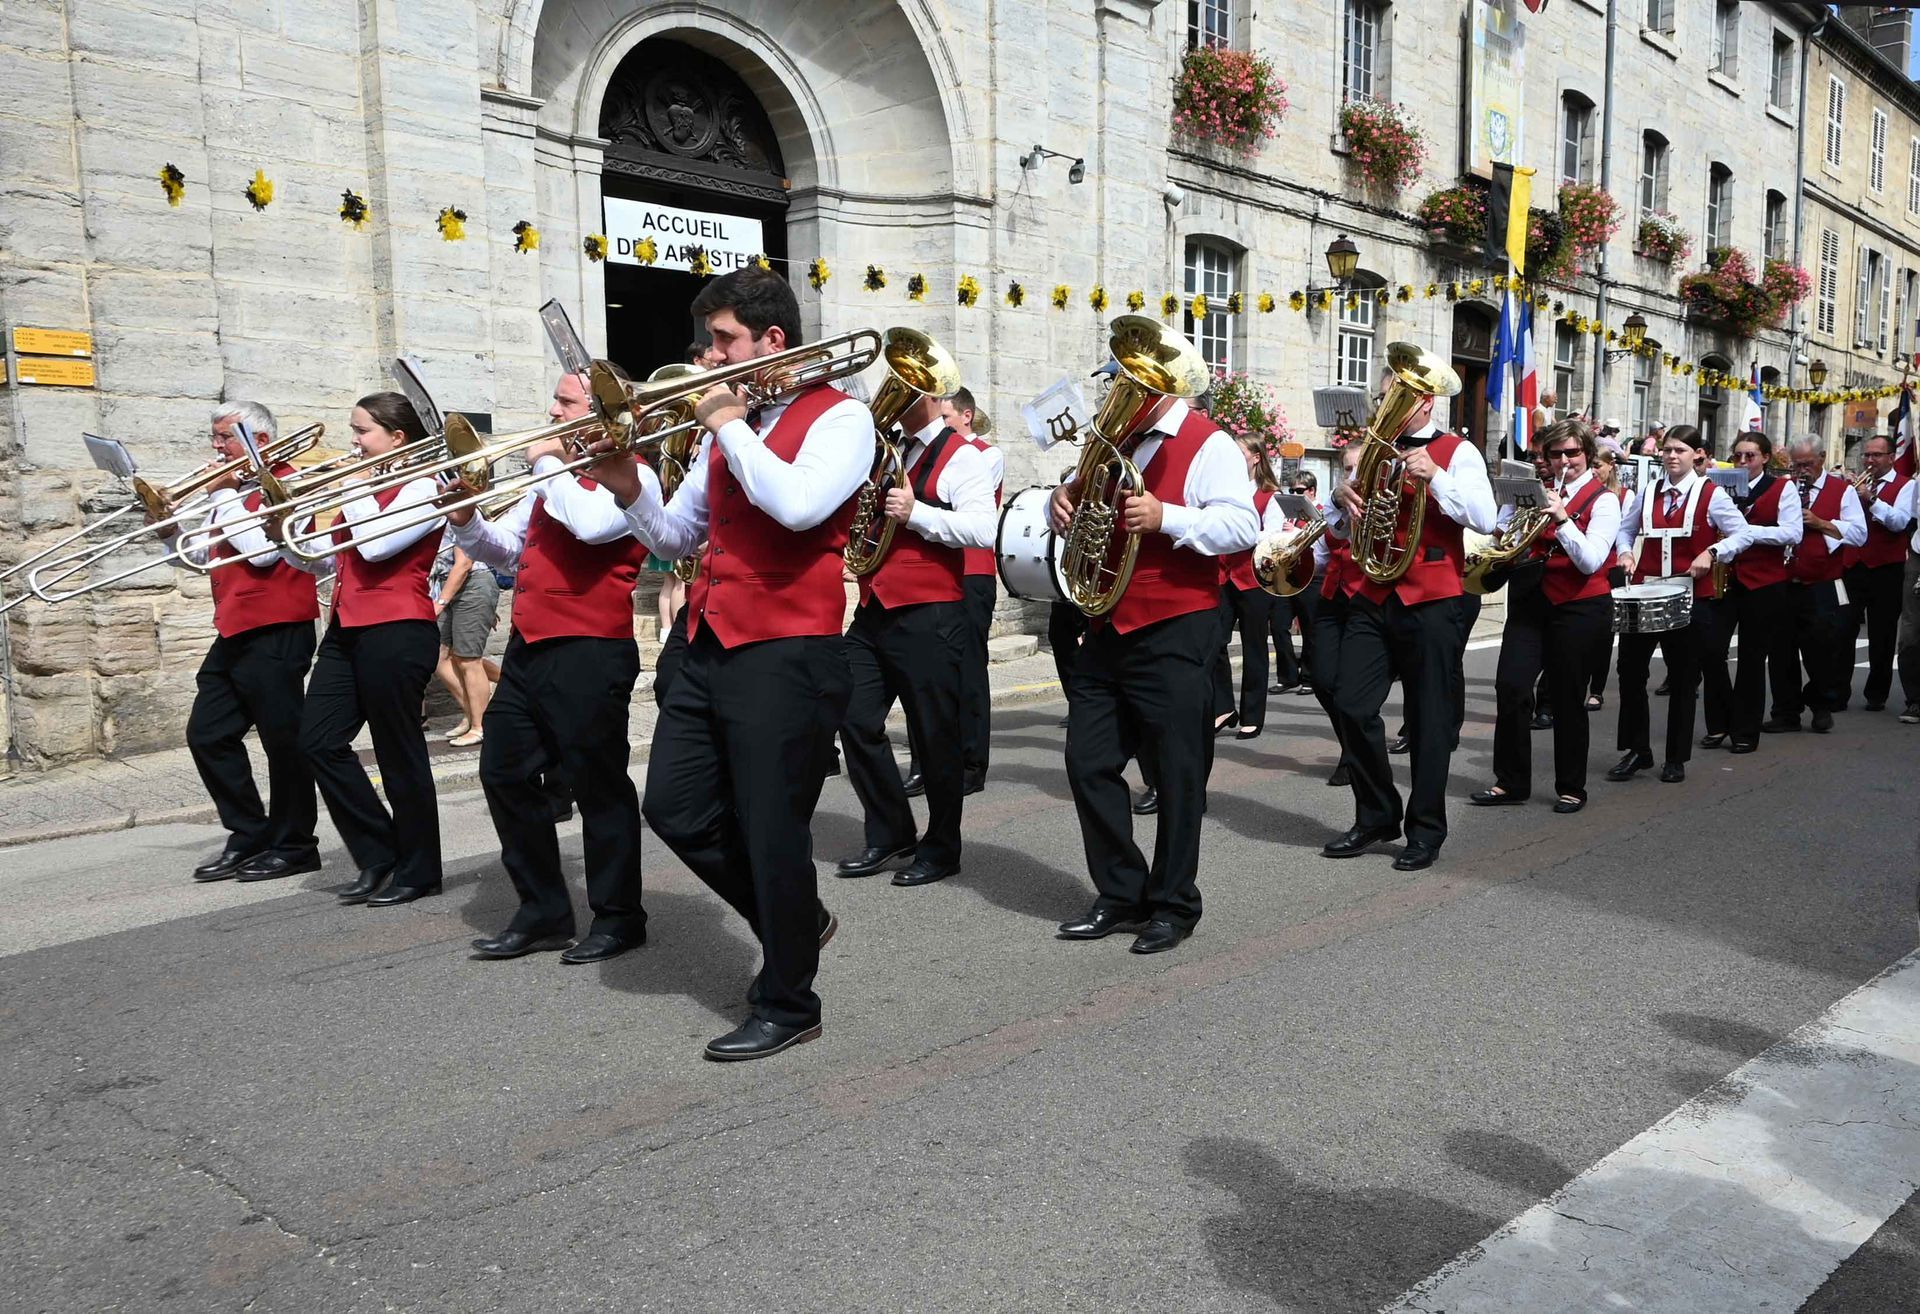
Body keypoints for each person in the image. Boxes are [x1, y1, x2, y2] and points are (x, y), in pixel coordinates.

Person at [594, 265, 864, 1061]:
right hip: (710, 640)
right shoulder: (726, 434)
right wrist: (625, 489)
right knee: (673, 807)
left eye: (723, 343)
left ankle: (790, 1000)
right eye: (710, 344)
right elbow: (676, 539)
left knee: (773, 829)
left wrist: (727, 426)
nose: (709, 360)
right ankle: (796, 921)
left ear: (771, 341)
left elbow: (798, 506)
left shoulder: (839, 419)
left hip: (789, 652)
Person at [1049, 347, 1257, 954]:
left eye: (1126, 382)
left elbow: (1242, 527)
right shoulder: (1112, 443)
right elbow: (1081, 504)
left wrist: (1167, 515)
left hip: (1175, 624)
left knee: (1176, 774)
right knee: (1088, 763)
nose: (1115, 392)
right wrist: (1057, 502)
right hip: (1108, 621)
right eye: (1116, 381)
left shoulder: (1208, 441)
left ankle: (1174, 904)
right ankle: (1121, 893)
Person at [448, 362, 652, 964]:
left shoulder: (636, 476)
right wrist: (465, 520)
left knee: (599, 787)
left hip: (590, 651)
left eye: (564, 404)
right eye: (556, 402)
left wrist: (544, 460)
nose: (553, 414)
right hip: (530, 647)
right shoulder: (555, 478)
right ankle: (542, 910)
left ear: (602, 410)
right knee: (503, 773)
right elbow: (506, 547)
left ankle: (619, 917)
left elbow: (590, 528)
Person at [1321, 383, 1498, 872]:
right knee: (1350, 704)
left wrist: (1437, 476)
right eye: (1382, 396)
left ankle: (1426, 830)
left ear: (1426, 402)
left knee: (1429, 721)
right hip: (1374, 592)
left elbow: (1484, 518)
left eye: (1396, 396)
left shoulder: (1458, 451)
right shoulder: (1374, 450)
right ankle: (1378, 814)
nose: (1384, 405)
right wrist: (1340, 500)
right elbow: (1341, 529)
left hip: (1434, 597)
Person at [280, 392, 446, 905]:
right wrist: (284, 529)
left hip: (398, 629)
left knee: (399, 755)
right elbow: (325, 563)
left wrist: (351, 488)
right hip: (347, 628)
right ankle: (379, 853)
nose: (352, 442)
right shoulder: (366, 487)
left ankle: (419, 869)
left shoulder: (428, 486)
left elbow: (377, 544)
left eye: (362, 431)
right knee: (317, 741)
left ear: (397, 438)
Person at [833, 370, 992, 888]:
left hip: (932, 614)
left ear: (930, 394)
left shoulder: (963, 455)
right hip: (875, 608)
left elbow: (982, 528)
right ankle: (891, 832)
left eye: (906, 386)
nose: (893, 395)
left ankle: (942, 848)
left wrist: (917, 513)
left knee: (935, 737)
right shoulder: (888, 449)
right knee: (853, 717)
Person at [166, 402, 321, 885]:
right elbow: (201, 560)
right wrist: (171, 532)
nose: (216, 447)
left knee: (283, 742)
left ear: (261, 441)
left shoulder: (289, 483)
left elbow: (259, 554)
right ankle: (250, 831)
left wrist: (225, 496)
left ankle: (296, 843)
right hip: (234, 627)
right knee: (207, 733)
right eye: (214, 437)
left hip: (278, 627)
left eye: (226, 438)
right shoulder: (232, 490)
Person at [1470, 419, 1619, 813]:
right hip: (1531, 600)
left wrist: (1562, 518)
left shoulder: (1604, 499)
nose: (1564, 461)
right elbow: (1504, 536)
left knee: (1568, 698)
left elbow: (1589, 561)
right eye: (1556, 454)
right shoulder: (1538, 491)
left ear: (1586, 453)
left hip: (1580, 605)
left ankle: (1572, 786)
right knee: (1512, 687)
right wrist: (1503, 532)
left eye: (1572, 453)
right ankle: (1511, 782)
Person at [1607, 425, 1749, 784]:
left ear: (1697, 455)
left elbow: (1744, 533)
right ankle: (1638, 750)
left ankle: (1675, 757)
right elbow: (1626, 529)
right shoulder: (1648, 490)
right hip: (1645, 593)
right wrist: (1625, 552)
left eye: (1681, 451)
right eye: (1668, 450)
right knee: (1630, 672)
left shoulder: (1711, 494)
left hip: (1690, 597)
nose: (1672, 456)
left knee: (1684, 678)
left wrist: (1712, 552)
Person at [1700, 432, 1799, 754]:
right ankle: (1719, 722)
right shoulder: (1717, 488)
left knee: (1752, 659)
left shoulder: (1783, 488)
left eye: (1750, 456)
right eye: (1738, 455)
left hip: (1764, 582)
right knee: (1711, 651)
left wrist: (1745, 531)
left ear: (1765, 458)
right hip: (1725, 577)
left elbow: (1793, 532)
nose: (1743, 462)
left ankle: (1745, 730)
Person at [1767, 438, 1868, 734]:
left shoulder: (1842, 491)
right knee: (1781, 649)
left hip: (1821, 582)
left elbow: (1859, 534)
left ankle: (1821, 704)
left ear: (1822, 458)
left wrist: (1821, 523)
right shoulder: (1785, 487)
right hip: (1784, 580)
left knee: (1823, 649)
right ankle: (1786, 712)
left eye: (1807, 464)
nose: (1801, 471)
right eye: (1795, 465)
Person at [1210, 436, 1287, 740]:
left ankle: (1252, 715)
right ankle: (1224, 707)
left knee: (1254, 646)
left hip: (1253, 578)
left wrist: (1236, 532)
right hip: (1223, 575)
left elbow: (1270, 536)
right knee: (1214, 642)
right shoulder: (1225, 492)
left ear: (1256, 458)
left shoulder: (1270, 495)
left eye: (1240, 453)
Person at [1843, 435, 1913, 710]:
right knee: (1843, 630)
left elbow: (1900, 522)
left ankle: (1876, 694)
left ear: (1891, 457)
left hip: (1887, 568)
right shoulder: (1856, 484)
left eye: (1877, 455)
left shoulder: (1906, 486)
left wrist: (1871, 499)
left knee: (1882, 634)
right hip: (1854, 565)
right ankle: (1838, 691)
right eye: (1867, 455)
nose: (1870, 461)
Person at [1308, 445, 1363, 787]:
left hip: (1366, 599)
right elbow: (1320, 555)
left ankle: (1354, 755)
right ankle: (1351, 745)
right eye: (1347, 469)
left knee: (1350, 689)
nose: (1351, 476)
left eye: (1358, 468)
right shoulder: (1336, 507)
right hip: (1333, 596)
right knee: (1322, 679)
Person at [431, 535, 498, 747]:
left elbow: (464, 563)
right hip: (443, 584)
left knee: (468, 658)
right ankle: (472, 713)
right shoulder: (424, 518)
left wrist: (441, 602)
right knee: (437, 655)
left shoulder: (454, 513)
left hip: (471, 583)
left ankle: (481, 726)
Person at [1269, 470, 1319, 695]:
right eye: (1292, 491)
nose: (1294, 495)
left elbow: (1321, 546)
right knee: (1279, 625)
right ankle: (1288, 675)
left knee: (1310, 628)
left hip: (1310, 575)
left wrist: (1298, 532)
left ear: (1312, 491)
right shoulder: (1288, 514)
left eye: (1299, 491)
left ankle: (1309, 676)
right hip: (1288, 575)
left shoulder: (1321, 511)